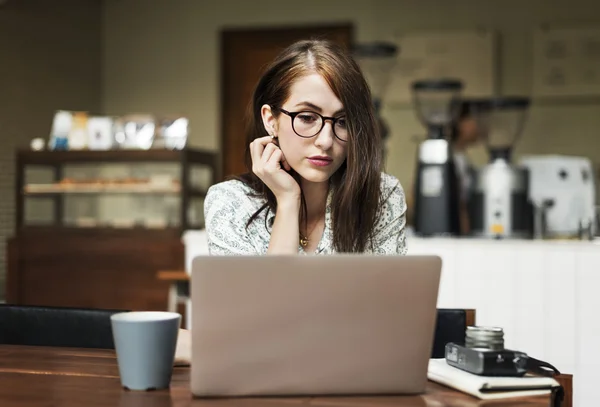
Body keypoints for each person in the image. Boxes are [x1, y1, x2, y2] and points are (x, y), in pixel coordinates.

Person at [203, 39, 408, 255]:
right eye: (308, 117)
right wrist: (288, 200)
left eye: (343, 122)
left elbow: (387, 289)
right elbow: (263, 290)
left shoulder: (381, 196)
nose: (326, 141)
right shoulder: (230, 203)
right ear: (271, 120)